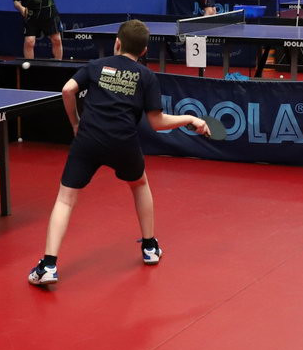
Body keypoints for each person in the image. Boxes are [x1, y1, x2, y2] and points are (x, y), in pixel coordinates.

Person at [28, 20, 212, 286]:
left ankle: (48, 265)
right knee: (139, 184)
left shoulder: (95, 65)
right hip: (123, 142)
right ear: (144, 51)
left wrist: (75, 123)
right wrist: (190, 118)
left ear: (117, 42)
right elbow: (157, 123)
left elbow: (67, 90)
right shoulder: (147, 76)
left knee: (66, 199)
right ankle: (150, 247)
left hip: (88, 139)